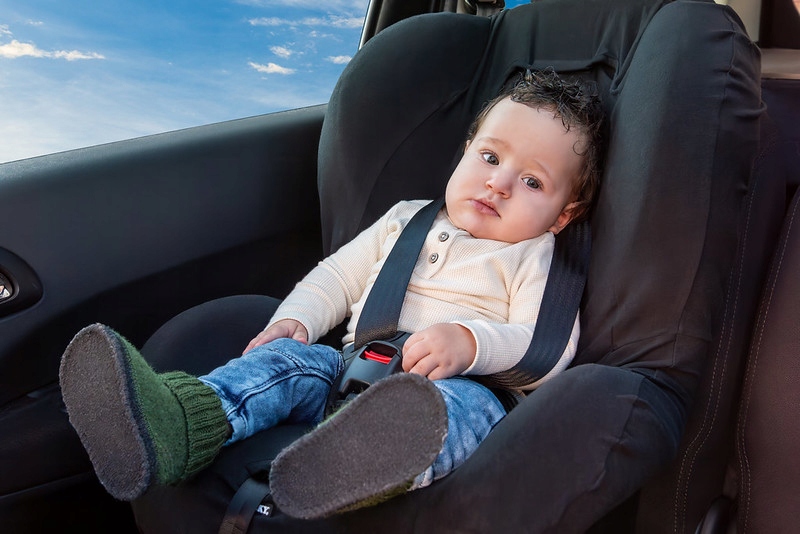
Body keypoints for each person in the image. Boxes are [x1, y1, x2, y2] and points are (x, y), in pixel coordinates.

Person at [58, 69, 604, 520]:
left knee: (445, 416)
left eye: (532, 182)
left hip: (460, 390)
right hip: (352, 366)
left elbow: (545, 346)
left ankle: (356, 466)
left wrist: (470, 343)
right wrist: (297, 319)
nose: (499, 183)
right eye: (490, 157)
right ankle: (177, 421)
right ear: (466, 153)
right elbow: (338, 278)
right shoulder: (407, 219)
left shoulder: (535, 256)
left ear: (564, 215)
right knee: (286, 364)